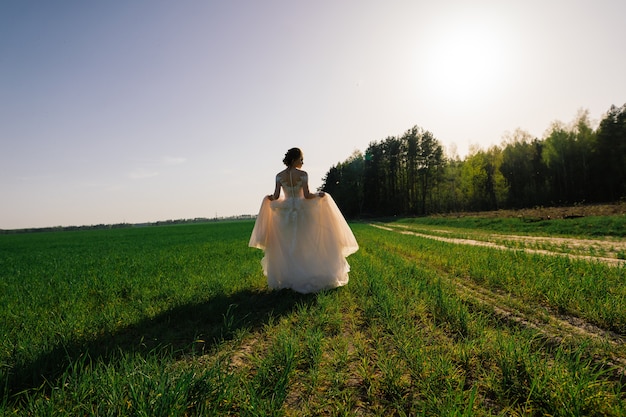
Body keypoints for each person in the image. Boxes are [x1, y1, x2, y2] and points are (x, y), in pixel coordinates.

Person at [249, 147, 359, 294]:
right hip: (303, 212)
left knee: (289, 246)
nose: (302, 162)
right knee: (307, 243)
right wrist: (319, 195)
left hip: (285, 212)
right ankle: (306, 274)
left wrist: (268, 199)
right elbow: (307, 195)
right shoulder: (303, 174)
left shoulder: (279, 176)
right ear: (295, 159)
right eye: (301, 159)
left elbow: (275, 196)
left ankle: (290, 276)